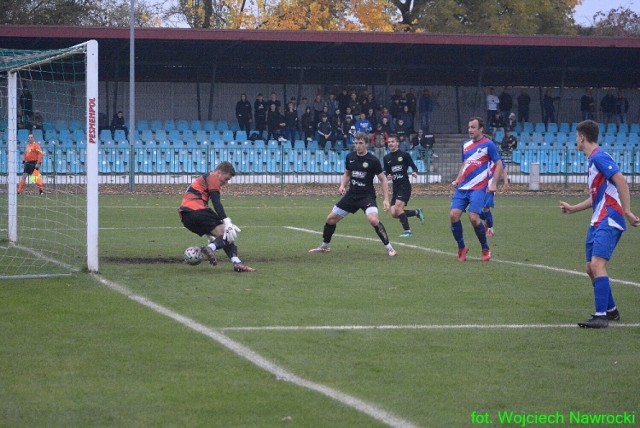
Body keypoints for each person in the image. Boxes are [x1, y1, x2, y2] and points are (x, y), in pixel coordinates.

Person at [559, 120, 640, 328]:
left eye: (576, 136)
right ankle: (611, 311)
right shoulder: (592, 161)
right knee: (590, 268)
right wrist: (573, 208)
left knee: (597, 265)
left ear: (582, 137)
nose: (576, 140)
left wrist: (627, 211)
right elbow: (596, 198)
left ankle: (601, 316)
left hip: (610, 217)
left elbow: (621, 181)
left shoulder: (600, 157)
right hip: (598, 219)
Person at [309, 132, 396, 257]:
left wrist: (386, 199)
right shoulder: (350, 157)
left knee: (373, 219)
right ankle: (325, 246)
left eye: (361, 143)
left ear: (366, 144)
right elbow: (347, 174)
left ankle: (389, 248)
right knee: (330, 219)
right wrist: (342, 185)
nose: (358, 146)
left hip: (367, 196)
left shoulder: (372, 160)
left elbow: (383, 179)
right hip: (351, 196)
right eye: (356, 143)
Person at [178, 161, 255, 273]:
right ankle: (211, 248)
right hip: (196, 211)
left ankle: (237, 263)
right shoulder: (213, 177)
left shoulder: (205, 179)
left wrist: (210, 234)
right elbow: (216, 202)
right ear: (219, 172)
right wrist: (227, 222)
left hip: (186, 218)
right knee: (228, 232)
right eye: (226, 179)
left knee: (224, 234)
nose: (226, 183)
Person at [449, 117, 504, 262]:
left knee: (474, 218)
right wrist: (457, 179)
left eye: (473, 127)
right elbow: (465, 164)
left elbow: (498, 164)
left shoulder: (488, 144)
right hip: (462, 188)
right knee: (453, 215)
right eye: (469, 127)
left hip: (479, 188)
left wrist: (493, 184)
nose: (470, 130)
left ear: (481, 129)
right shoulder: (466, 144)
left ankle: (485, 248)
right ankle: (462, 247)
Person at [383, 135, 425, 237]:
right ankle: (416, 212)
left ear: (397, 143)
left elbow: (414, 167)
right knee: (394, 213)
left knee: (397, 208)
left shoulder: (404, 155)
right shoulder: (386, 158)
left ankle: (408, 231)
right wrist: (387, 176)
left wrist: (415, 172)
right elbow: (387, 172)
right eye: (389, 142)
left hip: (405, 186)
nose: (390, 144)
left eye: (392, 141)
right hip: (396, 188)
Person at [480, 159, 509, 237]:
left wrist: (506, 182)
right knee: (474, 209)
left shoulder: (495, 155)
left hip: (490, 185)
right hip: (479, 185)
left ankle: (490, 229)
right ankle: (487, 221)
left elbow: (503, 167)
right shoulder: (480, 155)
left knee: (486, 208)